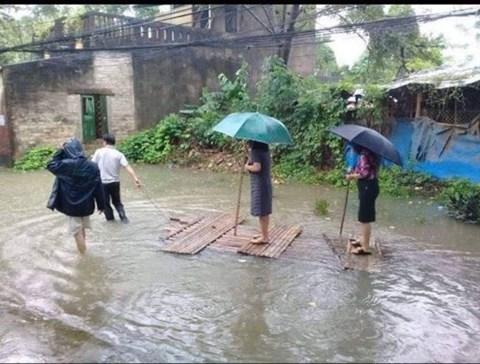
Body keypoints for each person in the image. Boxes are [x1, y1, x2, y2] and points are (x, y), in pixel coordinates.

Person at [47, 137, 105, 254]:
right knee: (82, 227)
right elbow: (98, 186)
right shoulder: (93, 166)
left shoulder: (66, 165)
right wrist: (101, 204)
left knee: (76, 231)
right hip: (87, 203)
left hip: (72, 204)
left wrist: (60, 150)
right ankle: (84, 250)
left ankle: (83, 257)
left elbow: (50, 164)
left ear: (69, 150)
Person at [91, 133, 141, 223]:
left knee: (106, 204)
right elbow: (127, 166)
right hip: (115, 182)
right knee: (117, 202)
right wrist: (135, 178)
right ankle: (124, 218)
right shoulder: (119, 154)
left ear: (105, 142)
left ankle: (111, 223)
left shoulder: (98, 152)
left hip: (103, 183)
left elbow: (92, 165)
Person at [345, 145, 380, 255]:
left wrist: (351, 177)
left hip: (367, 187)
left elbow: (364, 174)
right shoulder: (369, 153)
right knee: (363, 216)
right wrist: (353, 171)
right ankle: (362, 240)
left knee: (365, 218)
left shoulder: (364, 155)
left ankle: (365, 247)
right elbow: (363, 169)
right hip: (370, 187)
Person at [244, 140, 272, 244]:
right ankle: (264, 233)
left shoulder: (255, 151)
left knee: (262, 211)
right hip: (265, 182)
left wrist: (246, 167)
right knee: (264, 210)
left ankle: (264, 237)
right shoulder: (265, 149)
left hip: (260, 184)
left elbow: (257, 168)